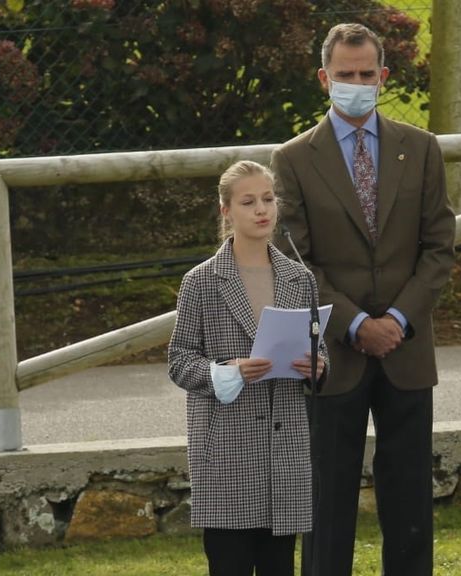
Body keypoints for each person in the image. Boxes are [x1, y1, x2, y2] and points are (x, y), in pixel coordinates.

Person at [270, 23, 456, 576]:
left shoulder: (420, 150)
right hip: (331, 354)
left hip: (407, 350)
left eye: (366, 74)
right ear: (325, 79)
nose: (356, 83)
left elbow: (439, 248)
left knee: (410, 504)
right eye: (345, 75)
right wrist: (355, 325)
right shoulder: (293, 159)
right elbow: (294, 261)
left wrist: (397, 319)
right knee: (327, 505)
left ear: (384, 77)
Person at [168, 160, 326, 576]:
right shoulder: (200, 282)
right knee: (230, 564)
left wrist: (317, 366)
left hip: (284, 450)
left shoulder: (300, 278)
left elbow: (320, 351)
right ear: (226, 211)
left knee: (279, 565)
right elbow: (180, 361)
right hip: (225, 452)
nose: (262, 210)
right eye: (249, 201)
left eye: (269, 199)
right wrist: (227, 370)